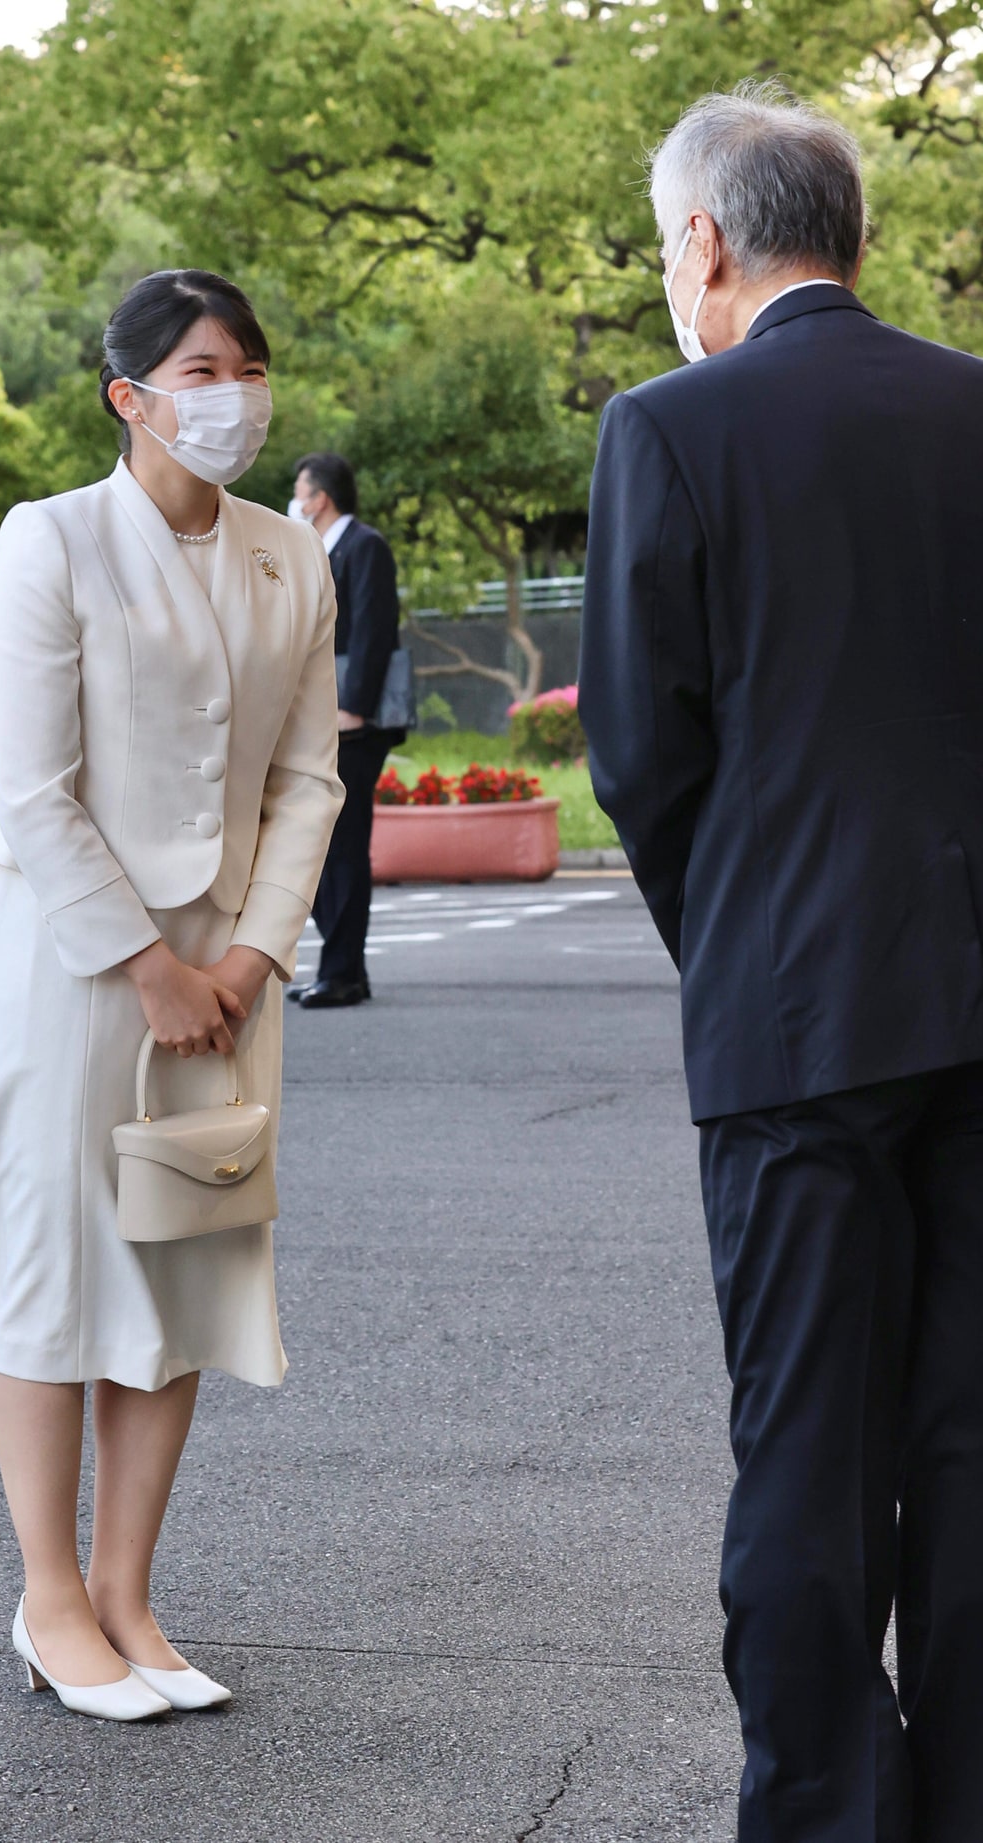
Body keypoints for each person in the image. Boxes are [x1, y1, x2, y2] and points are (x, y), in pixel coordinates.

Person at [579, 81, 983, 1843]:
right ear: (862, 239)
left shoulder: (668, 426)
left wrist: (729, 932)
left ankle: (826, 1807)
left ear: (704, 239)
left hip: (792, 1012)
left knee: (808, 1447)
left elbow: (642, 754)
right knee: (972, 1444)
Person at [0, 270, 344, 1722]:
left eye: (252, 365)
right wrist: (149, 964)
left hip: (230, 979)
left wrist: (250, 958)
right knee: (52, 1270)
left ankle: (132, 1591)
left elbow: (308, 777)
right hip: (82, 973)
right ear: (127, 395)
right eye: (204, 367)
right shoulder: (54, 538)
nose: (236, 392)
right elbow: (32, 782)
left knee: (180, 1264)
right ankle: (50, 1595)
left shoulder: (293, 558)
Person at [286, 452, 404, 1009]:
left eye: (299, 491)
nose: (295, 500)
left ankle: (343, 972)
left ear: (319, 499)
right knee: (322, 841)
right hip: (325, 718)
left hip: (355, 723)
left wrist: (353, 708)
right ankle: (342, 965)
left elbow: (377, 631)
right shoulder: (317, 552)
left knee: (344, 843)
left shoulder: (364, 547)